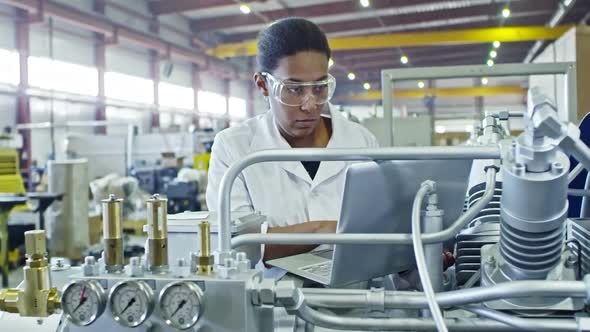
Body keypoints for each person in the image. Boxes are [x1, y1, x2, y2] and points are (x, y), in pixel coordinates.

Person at [206, 18, 378, 278]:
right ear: (263, 85)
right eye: (294, 89)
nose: (309, 104)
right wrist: (322, 231)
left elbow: (382, 228)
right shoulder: (234, 147)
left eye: (320, 88)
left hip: (359, 297)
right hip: (273, 306)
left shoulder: (361, 142)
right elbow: (237, 244)